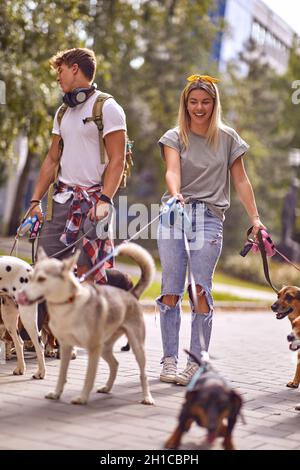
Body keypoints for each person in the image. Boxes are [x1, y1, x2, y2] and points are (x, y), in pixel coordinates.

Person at [156, 74, 266, 385]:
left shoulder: (228, 138)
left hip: (209, 216)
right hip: (174, 213)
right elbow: (172, 170)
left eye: (205, 102)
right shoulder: (175, 136)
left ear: (214, 103)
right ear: (185, 104)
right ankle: (168, 360)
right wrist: (175, 192)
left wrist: (255, 218)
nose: (199, 107)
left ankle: (196, 362)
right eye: (193, 102)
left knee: (199, 289)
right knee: (170, 290)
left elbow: (241, 180)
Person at [28, 48, 126, 282]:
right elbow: (52, 159)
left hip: (94, 206)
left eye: (60, 71)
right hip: (61, 202)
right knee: (44, 271)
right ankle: (42, 320)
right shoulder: (62, 112)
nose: (57, 78)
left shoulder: (108, 108)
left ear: (75, 69)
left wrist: (104, 200)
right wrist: (34, 201)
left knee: (87, 276)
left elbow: (117, 159)